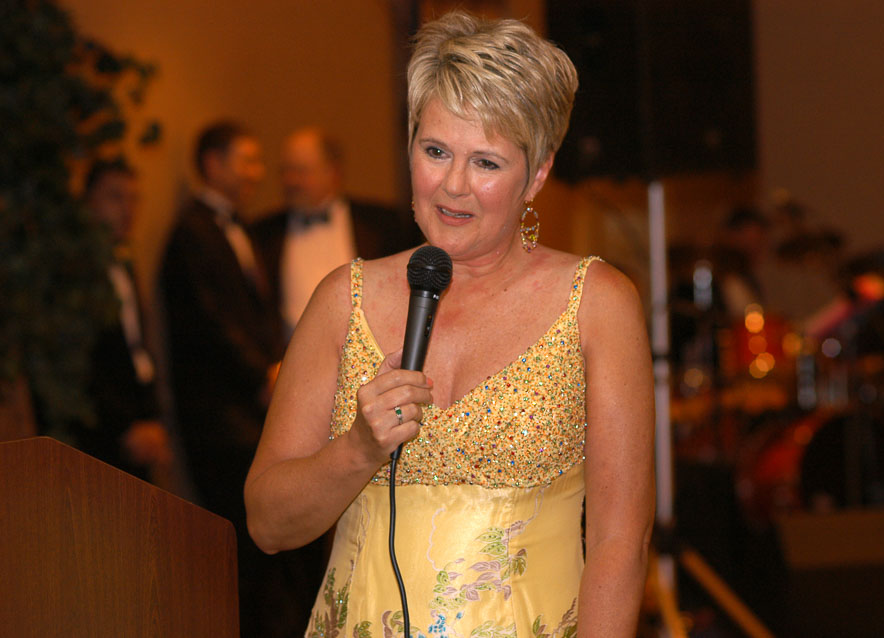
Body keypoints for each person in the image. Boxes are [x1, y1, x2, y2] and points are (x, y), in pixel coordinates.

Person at [245, 11, 655, 638]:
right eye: (435, 151)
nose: (453, 185)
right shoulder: (342, 300)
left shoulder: (597, 304)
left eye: (486, 162)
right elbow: (268, 525)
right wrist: (357, 450)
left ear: (537, 175)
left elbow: (619, 543)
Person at [159, 121, 288, 637]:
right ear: (213, 164)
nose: (258, 172)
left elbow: (257, 313)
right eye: (247, 160)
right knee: (239, 545)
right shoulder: (191, 233)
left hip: (250, 411)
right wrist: (262, 373)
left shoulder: (242, 227)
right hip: (220, 419)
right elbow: (208, 323)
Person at [251, 127, 422, 336]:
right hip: (290, 352)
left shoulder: (382, 223)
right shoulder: (262, 233)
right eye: (285, 171)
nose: (291, 181)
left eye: (301, 171)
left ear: (332, 172)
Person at [69, 158, 172, 481]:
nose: (127, 209)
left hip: (136, 423)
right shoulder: (76, 270)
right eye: (115, 197)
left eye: (133, 199)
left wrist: (152, 418)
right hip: (95, 436)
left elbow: (137, 352)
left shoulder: (125, 263)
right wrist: (124, 426)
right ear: (88, 202)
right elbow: (82, 361)